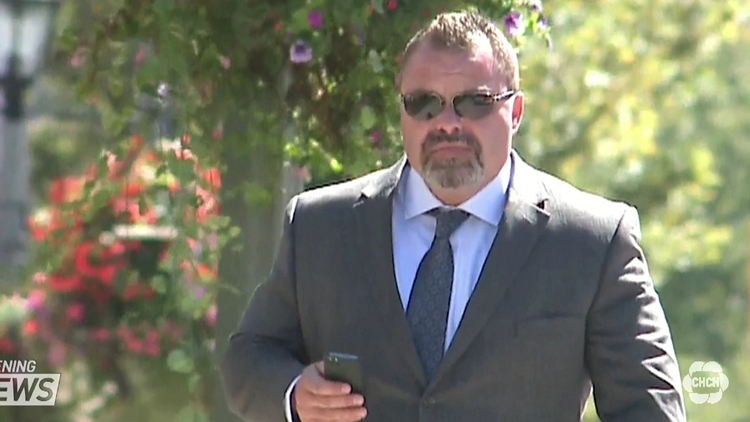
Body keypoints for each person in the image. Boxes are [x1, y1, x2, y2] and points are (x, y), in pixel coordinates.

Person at [220, 10, 687, 422]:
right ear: (401, 111)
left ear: (516, 111)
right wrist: (294, 395)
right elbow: (250, 357)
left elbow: (650, 409)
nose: (447, 123)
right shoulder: (321, 227)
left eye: (474, 102)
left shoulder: (593, 241)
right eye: (424, 103)